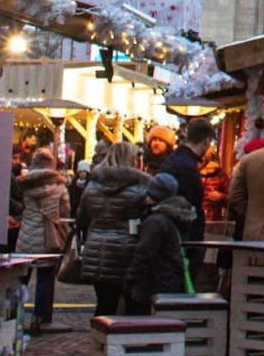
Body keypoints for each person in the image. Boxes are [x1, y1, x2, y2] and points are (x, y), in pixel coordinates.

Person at [77, 140, 153, 318]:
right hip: (126, 251)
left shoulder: (92, 186)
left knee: (104, 304)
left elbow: (81, 218)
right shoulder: (141, 188)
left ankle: (98, 342)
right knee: (130, 305)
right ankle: (121, 343)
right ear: (132, 160)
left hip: (96, 250)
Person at [13, 149, 71, 332]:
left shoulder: (24, 184)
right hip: (49, 237)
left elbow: (19, 204)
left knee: (22, 276)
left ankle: (14, 314)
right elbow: (65, 210)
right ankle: (39, 317)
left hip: (27, 234)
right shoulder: (59, 185)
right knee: (45, 278)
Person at [124, 173, 194, 313]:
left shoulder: (156, 222)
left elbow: (143, 255)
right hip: (170, 282)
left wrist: (128, 283)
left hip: (153, 284)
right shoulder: (177, 217)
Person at [162, 118, 215, 267]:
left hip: (175, 237)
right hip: (182, 240)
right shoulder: (187, 167)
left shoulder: (175, 160)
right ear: (206, 141)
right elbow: (187, 206)